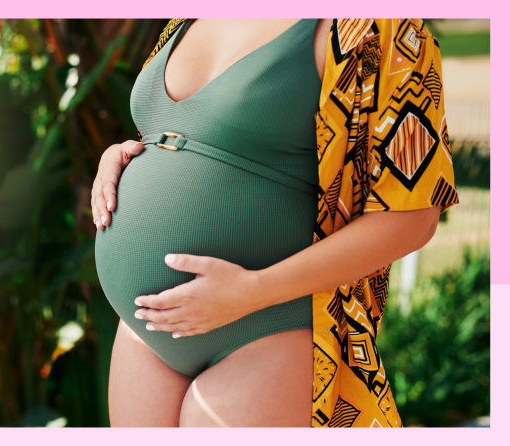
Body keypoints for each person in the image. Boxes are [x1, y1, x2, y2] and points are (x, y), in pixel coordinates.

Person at [91, 18, 458, 427]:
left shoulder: (379, 26)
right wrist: (125, 152)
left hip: (269, 330)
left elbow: (415, 216)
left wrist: (253, 290)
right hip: (147, 329)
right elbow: (189, 132)